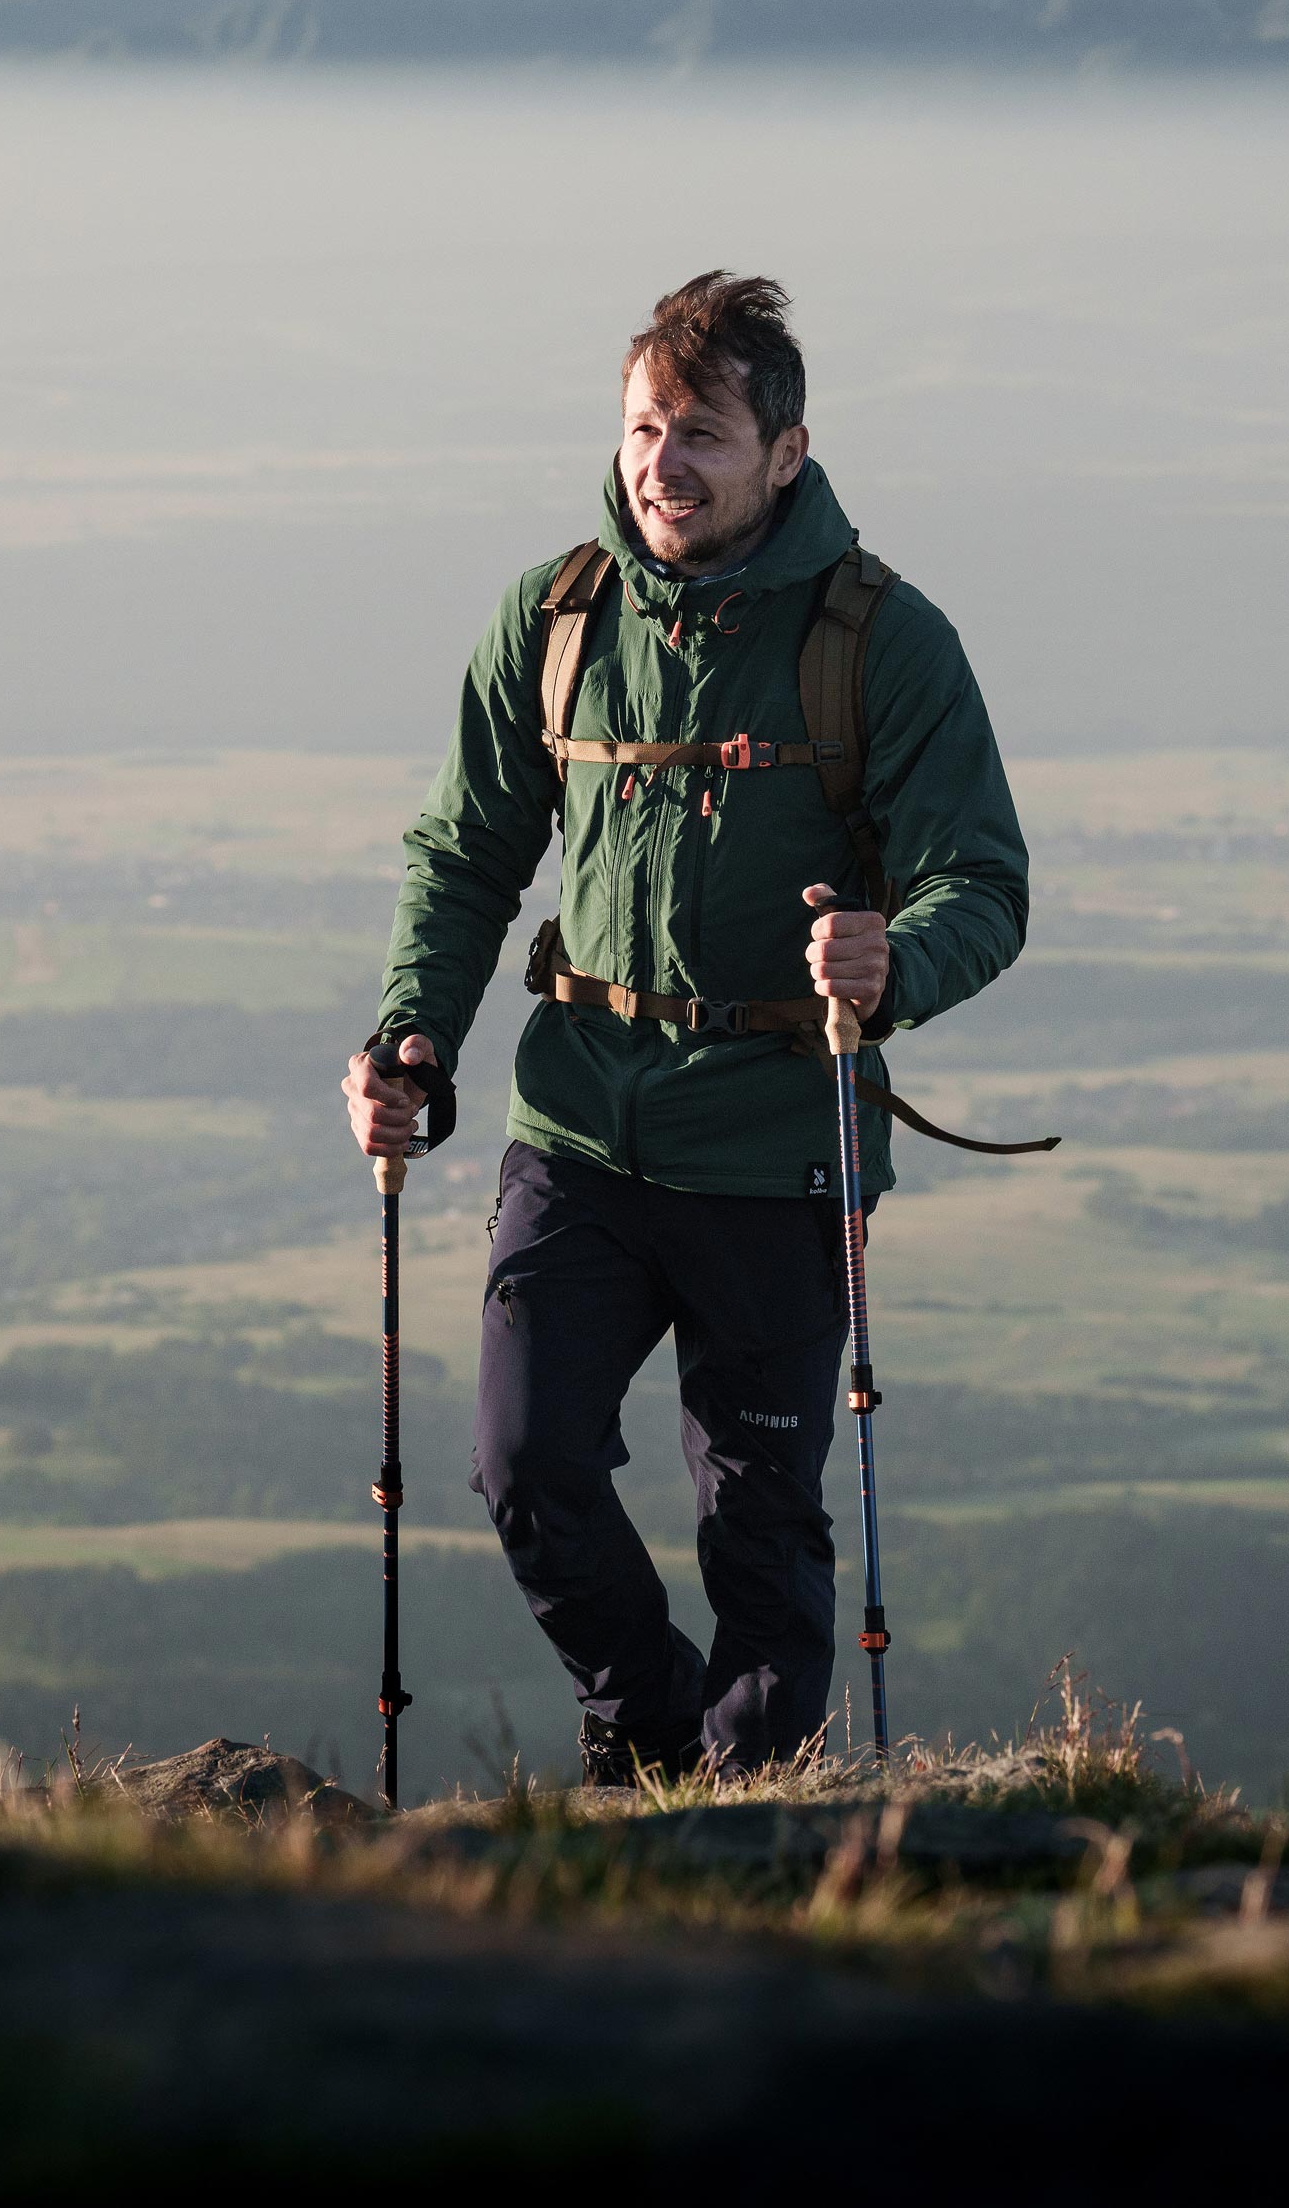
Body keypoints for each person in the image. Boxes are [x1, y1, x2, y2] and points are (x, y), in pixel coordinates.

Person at [341, 271, 1030, 1783]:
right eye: (648, 427)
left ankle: (743, 1825)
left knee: (762, 1528)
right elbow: (463, 855)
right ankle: (648, 1737)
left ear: (786, 451)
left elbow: (984, 882)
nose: (665, 464)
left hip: (779, 1150)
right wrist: (414, 1044)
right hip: (579, 1129)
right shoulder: (559, 617)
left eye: (704, 433)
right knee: (523, 1466)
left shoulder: (882, 642)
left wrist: (889, 960)